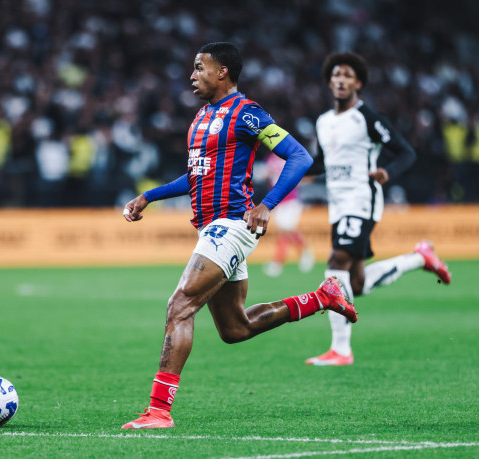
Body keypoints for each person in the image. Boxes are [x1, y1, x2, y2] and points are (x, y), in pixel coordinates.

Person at [120, 42, 357, 429]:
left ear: (222, 72)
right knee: (235, 328)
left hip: (231, 225)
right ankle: (320, 298)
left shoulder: (247, 114)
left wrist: (268, 204)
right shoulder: (202, 117)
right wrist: (150, 196)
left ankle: (159, 411)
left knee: (179, 306)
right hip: (212, 229)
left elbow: (300, 157)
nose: (192, 75)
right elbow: (196, 174)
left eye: (199, 68)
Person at [304, 52, 452, 366]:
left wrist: (388, 172)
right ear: (329, 82)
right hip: (338, 203)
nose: (340, 80)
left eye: (347, 75)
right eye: (335, 75)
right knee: (356, 283)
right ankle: (419, 258)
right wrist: (298, 170)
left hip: (362, 199)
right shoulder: (323, 121)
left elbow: (405, 152)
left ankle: (341, 350)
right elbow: (322, 162)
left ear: (357, 82)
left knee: (336, 262)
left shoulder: (367, 117)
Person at [261, 151, 315, 277]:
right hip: (278, 200)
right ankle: (304, 252)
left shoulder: (288, 156)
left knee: (286, 229)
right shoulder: (270, 158)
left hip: (290, 199)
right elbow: (270, 177)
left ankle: (279, 262)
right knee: (285, 231)